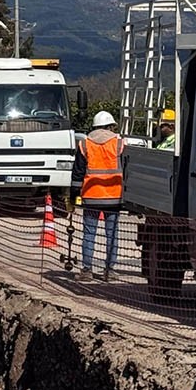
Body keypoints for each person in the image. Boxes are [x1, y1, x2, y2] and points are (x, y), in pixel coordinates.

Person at [71, 111, 123, 282]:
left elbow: (78, 172)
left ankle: (87, 271)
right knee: (112, 234)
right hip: (114, 195)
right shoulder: (118, 142)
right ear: (111, 125)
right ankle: (110, 270)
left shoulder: (85, 144)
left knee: (89, 233)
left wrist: (73, 196)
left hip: (91, 195)